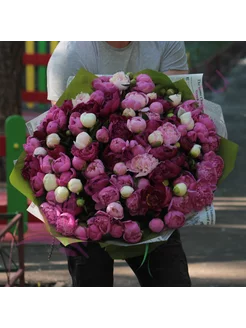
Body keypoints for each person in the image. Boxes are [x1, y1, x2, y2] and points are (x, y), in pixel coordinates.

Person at [47, 40, 192, 288]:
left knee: (171, 283)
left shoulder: (165, 40)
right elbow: (63, 130)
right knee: (91, 284)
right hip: (87, 197)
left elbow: (176, 113)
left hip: (152, 194)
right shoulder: (70, 52)